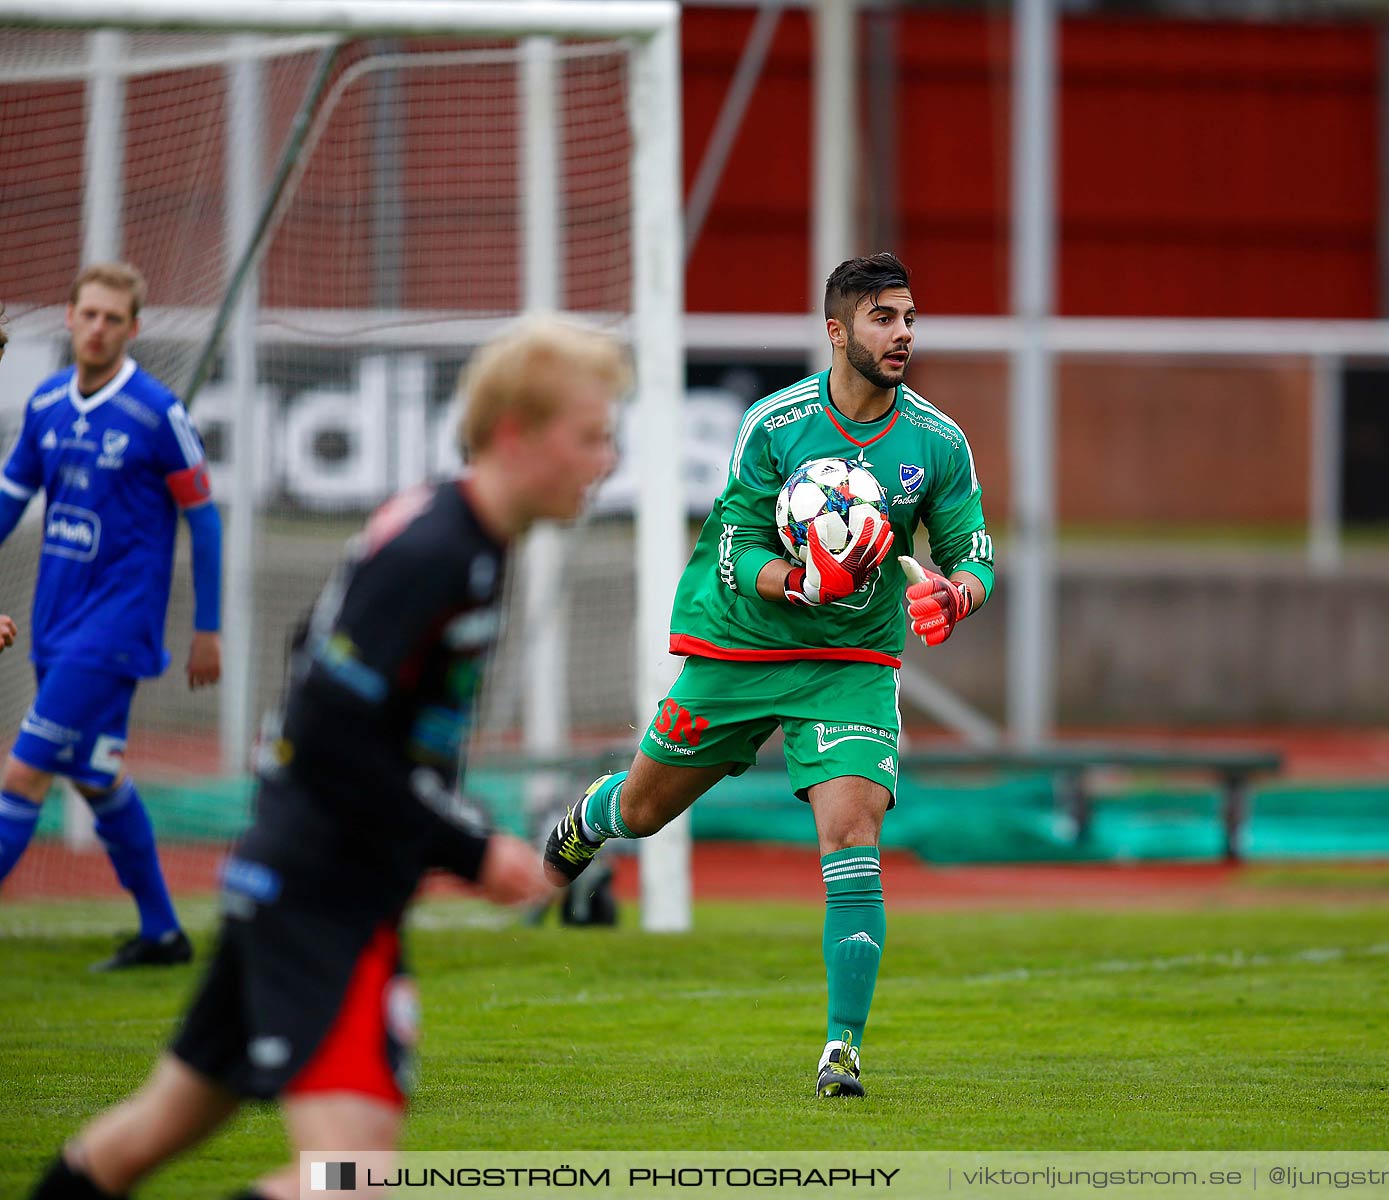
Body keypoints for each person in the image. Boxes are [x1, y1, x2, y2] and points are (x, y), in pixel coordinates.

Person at [27, 314, 621, 1200]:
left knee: (150, 1132)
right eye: (590, 436)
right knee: (354, 1178)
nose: (605, 460)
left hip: (310, 872)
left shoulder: (463, 532)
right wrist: (469, 847)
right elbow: (329, 724)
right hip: (320, 894)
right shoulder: (440, 548)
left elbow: (317, 656)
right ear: (515, 434)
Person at [543, 252, 995, 1098]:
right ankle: (590, 816)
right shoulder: (774, 425)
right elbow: (735, 547)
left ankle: (842, 1051)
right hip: (742, 644)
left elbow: (972, 548)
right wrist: (800, 580)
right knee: (643, 813)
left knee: (853, 834)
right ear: (837, 331)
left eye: (908, 317)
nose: (902, 335)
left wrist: (956, 594)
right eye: (883, 318)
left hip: (850, 661)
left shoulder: (936, 442)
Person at [0, 264, 222, 969]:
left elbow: (205, 521)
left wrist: (207, 627)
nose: (98, 329)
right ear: (68, 316)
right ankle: (163, 932)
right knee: (96, 776)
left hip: (114, 630)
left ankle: (161, 929)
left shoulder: (157, 413)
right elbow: (7, 504)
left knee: (21, 777)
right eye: (88, 314)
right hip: (53, 623)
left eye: (113, 318)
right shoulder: (44, 406)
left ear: (134, 328)